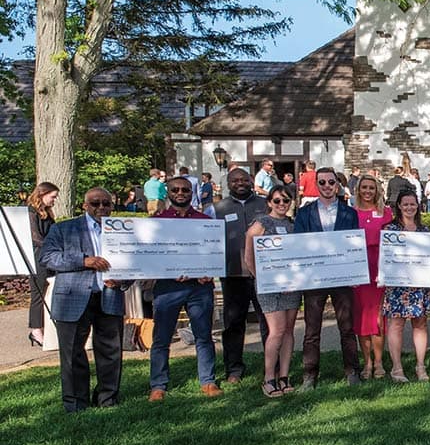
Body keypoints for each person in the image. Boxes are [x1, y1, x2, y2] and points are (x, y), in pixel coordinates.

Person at [39, 188, 131, 411]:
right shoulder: (64, 228)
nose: (101, 208)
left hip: (109, 296)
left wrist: (123, 281)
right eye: (95, 203)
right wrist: (84, 261)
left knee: (111, 351)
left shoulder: (123, 230)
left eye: (106, 204)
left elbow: (135, 262)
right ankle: (75, 403)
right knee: (72, 353)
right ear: (84, 206)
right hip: (73, 297)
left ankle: (107, 399)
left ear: (112, 205)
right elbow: (47, 258)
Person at [147, 176, 221, 400]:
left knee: (204, 336)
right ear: (167, 192)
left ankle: (207, 381)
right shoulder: (157, 222)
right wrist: (166, 270)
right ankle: (158, 385)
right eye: (176, 189)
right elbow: (150, 257)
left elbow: (212, 254)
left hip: (199, 287)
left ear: (192, 193)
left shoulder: (204, 221)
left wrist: (208, 271)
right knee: (162, 338)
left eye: (186, 190)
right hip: (168, 287)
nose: (181, 193)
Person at [293, 167, 363, 388]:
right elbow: (298, 245)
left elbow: (354, 245)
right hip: (314, 279)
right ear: (316, 184)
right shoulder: (305, 213)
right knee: (312, 330)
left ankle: (352, 371)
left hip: (342, 278)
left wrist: (355, 271)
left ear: (337, 184)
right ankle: (309, 375)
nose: (326, 186)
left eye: (330, 182)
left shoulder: (349, 213)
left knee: (347, 327)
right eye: (321, 182)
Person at [242, 189, 300, 397]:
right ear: (269, 202)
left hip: (292, 286)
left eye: (286, 200)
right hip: (270, 287)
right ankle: (268, 377)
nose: (282, 203)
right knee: (276, 330)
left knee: (288, 331)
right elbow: (249, 254)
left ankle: (284, 376)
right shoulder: (262, 223)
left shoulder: (293, 225)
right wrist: (261, 277)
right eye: (277, 200)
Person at [213, 168, 269, 385]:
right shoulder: (217, 209)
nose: (240, 183)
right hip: (233, 273)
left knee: (268, 322)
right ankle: (234, 369)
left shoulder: (265, 205)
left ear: (251, 181)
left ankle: (270, 366)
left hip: (263, 274)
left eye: (244, 179)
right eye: (235, 180)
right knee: (234, 322)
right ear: (228, 183)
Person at [380, 190, 430, 382]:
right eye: (406, 204)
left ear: (418, 206)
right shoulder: (390, 230)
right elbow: (385, 259)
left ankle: (420, 366)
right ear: (399, 206)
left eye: (413, 204)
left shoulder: (425, 231)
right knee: (396, 324)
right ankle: (397, 368)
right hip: (398, 286)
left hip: (420, 285)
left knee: (420, 324)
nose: (410, 207)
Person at [352, 176, 388, 379]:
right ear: (358, 190)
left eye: (371, 188)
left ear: (377, 190)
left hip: (379, 270)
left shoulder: (386, 213)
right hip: (359, 270)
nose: (368, 191)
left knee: (378, 318)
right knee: (362, 318)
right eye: (364, 187)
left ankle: (380, 362)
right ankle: (367, 363)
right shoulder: (350, 214)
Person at [26, 182, 59, 347]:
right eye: (52, 197)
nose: (54, 200)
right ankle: (36, 330)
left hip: (50, 257)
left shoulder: (46, 213)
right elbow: (35, 238)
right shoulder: (30, 212)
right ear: (42, 194)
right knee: (38, 294)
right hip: (38, 258)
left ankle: (48, 327)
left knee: (50, 293)